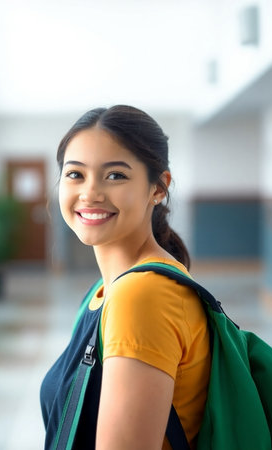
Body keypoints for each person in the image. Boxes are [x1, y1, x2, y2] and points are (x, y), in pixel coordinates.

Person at [40, 105, 210, 449]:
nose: (90, 193)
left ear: (158, 188)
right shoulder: (106, 290)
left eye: (115, 175)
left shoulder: (142, 295)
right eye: (75, 174)